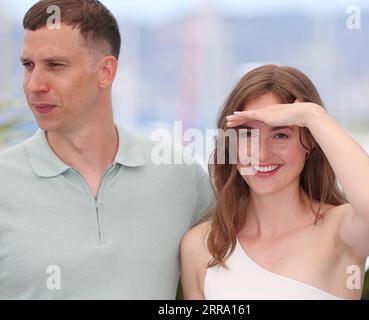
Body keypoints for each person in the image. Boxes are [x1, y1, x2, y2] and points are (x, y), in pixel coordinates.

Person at [0, 0, 213, 299]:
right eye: (28, 65)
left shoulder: (180, 175)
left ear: (105, 71)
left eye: (55, 65)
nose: (34, 84)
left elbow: (266, 243)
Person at [180, 65, 369, 300]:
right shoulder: (202, 245)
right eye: (247, 135)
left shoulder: (340, 233)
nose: (262, 154)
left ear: (309, 141)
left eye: (281, 135)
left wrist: (311, 115)